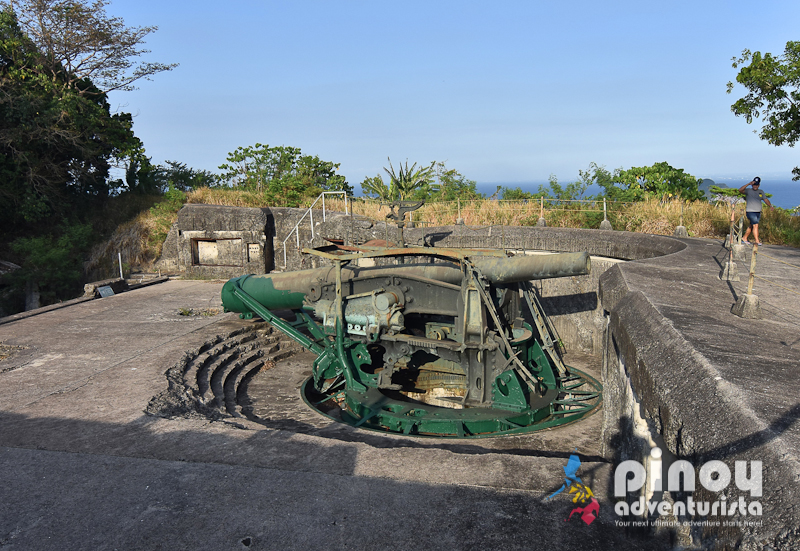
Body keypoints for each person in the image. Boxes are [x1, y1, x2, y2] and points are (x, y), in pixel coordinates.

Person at [739, 177, 773, 245]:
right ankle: (757, 241)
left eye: (757, 185)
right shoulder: (748, 191)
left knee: (751, 225)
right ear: (752, 184)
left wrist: (770, 206)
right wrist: (748, 183)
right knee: (755, 225)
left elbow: (765, 199)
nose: (755, 186)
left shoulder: (761, 192)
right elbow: (740, 190)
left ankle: (744, 238)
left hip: (758, 212)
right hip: (750, 211)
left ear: (759, 185)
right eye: (754, 184)